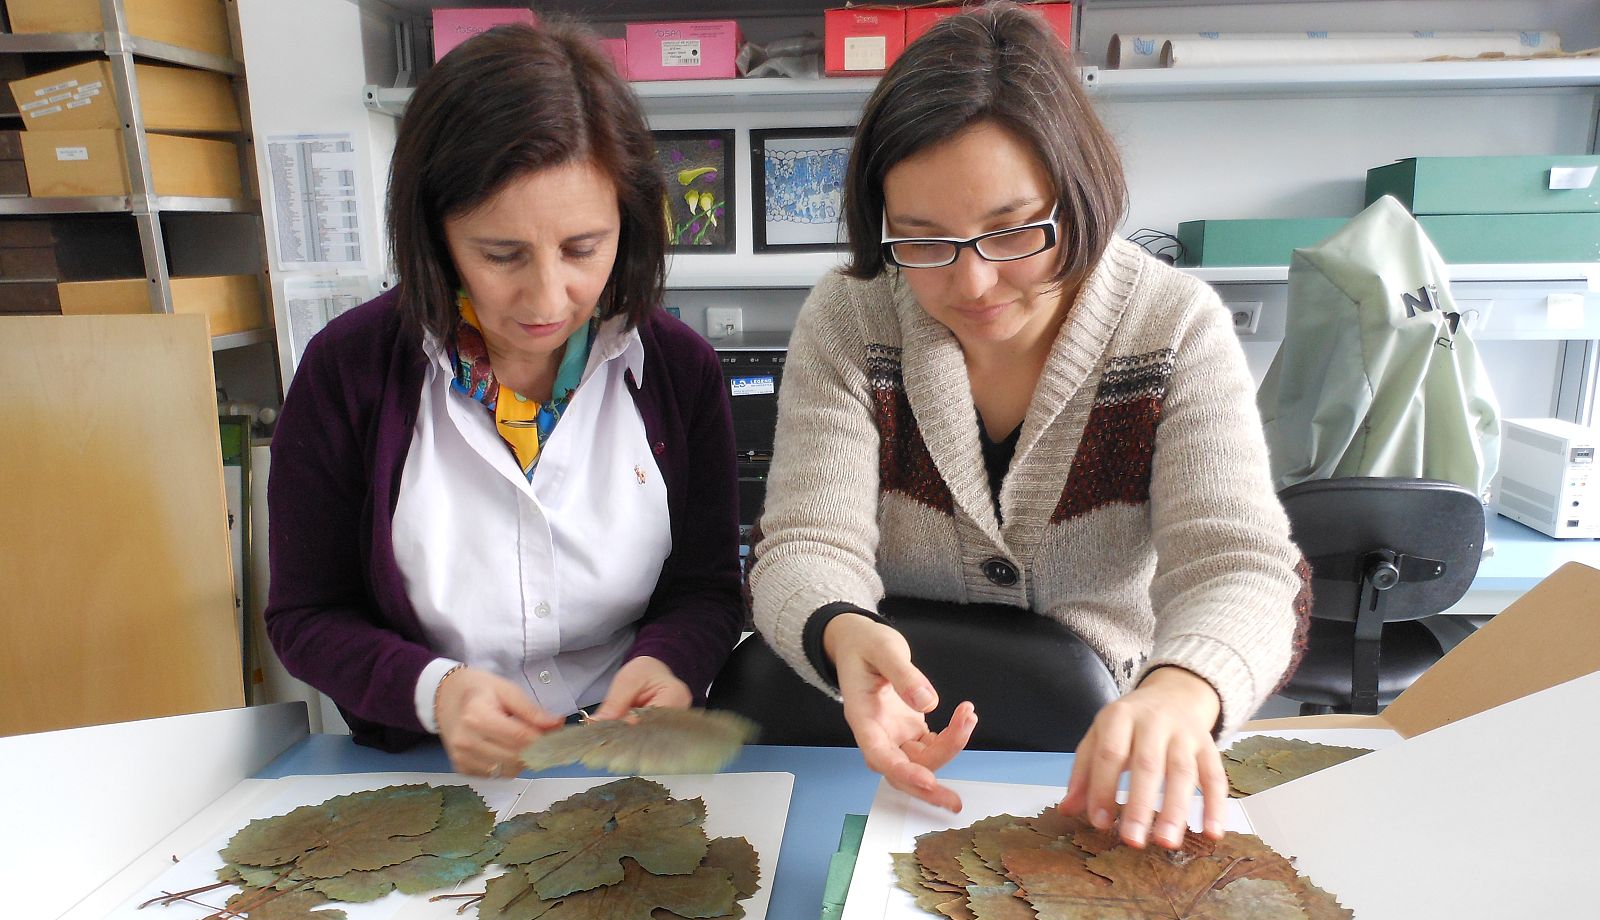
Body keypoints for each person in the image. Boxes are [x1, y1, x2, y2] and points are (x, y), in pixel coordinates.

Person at [748, 3, 1307, 850]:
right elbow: (803, 543)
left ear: (1077, 193)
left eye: (1014, 232)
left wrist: (1182, 689)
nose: (973, 284)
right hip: (886, 753)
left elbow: (1240, 565)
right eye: (923, 240)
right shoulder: (852, 318)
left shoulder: (1172, 326)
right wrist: (838, 629)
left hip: (1097, 761)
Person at [266, 20, 743, 779]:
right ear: (436, 235)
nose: (548, 298)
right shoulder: (346, 371)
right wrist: (436, 692)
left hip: (625, 762)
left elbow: (708, 589)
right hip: (426, 766)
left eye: (584, 248)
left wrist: (671, 661)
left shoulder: (678, 371)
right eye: (501, 255)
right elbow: (307, 617)